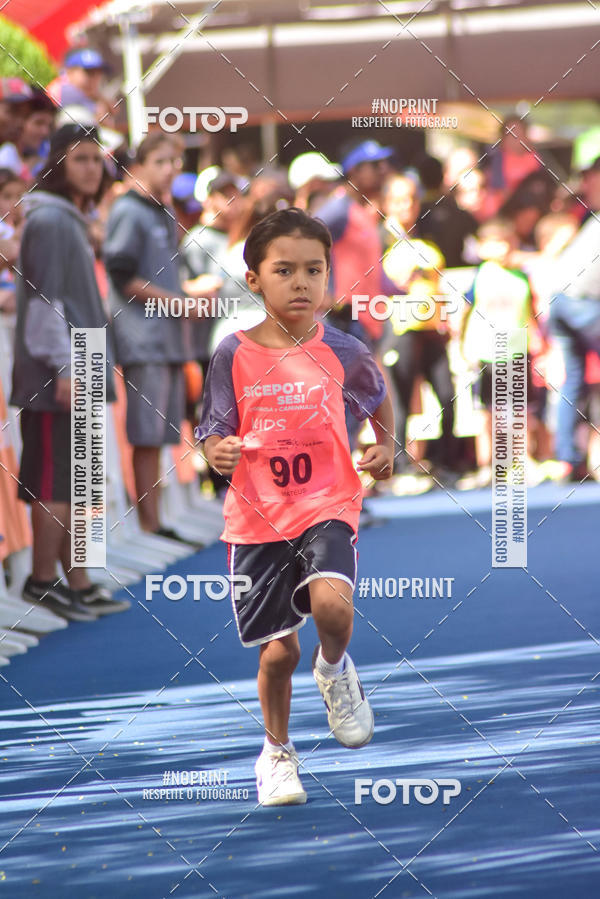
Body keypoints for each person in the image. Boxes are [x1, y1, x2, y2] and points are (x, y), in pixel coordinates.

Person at [196, 207, 394, 805]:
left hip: (327, 501)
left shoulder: (344, 349)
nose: (302, 283)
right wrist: (216, 451)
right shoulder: (232, 354)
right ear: (253, 278)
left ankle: (335, 669)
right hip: (257, 516)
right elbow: (211, 428)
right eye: (284, 270)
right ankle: (277, 754)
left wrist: (384, 445)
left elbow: (379, 396)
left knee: (333, 608)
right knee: (278, 652)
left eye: (314, 270)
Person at [10, 123, 128, 619]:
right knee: (60, 481)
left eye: (95, 159)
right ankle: (41, 582)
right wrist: (64, 368)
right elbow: (44, 305)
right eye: (78, 158)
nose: (91, 168)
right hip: (66, 368)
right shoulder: (53, 221)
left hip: (84, 358)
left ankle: (76, 580)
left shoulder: (67, 218)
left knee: (81, 482)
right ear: (57, 164)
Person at [103, 133, 208, 537]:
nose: (170, 169)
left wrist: (186, 296)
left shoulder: (163, 210)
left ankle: (158, 520)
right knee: (146, 434)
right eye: (161, 161)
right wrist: (178, 303)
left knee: (163, 433)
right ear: (141, 164)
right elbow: (122, 275)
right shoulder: (128, 211)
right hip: (142, 335)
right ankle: (148, 524)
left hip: (168, 336)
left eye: (175, 162)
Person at [381, 172, 458, 486]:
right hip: (400, 330)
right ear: (387, 204)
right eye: (398, 200)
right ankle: (400, 462)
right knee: (400, 400)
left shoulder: (426, 242)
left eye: (411, 199)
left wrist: (445, 318)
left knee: (447, 395)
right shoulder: (380, 241)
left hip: (431, 329)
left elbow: (439, 286)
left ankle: (444, 461)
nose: (406, 206)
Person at [461, 218, 545, 485]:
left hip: (518, 350)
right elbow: (464, 311)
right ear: (483, 248)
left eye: (507, 242)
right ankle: (489, 466)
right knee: (489, 412)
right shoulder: (480, 275)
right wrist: (464, 346)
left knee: (520, 411)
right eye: (495, 243)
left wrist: (538, 340)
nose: (503, 249)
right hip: (487, 352)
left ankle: (522, 461)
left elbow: (529, 311)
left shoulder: (522, 275)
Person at [548, 156, 600, 479]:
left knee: (574, 378)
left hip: (561, 299)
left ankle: (567, 457)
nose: (587, 185)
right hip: (579, 301)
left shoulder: (590, 219)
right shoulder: (590, 218)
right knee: (575, 378)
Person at [47, 47, 109, 118]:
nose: (94, 79)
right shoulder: (66, 90)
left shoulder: (72, 89)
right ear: (70, 71)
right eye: (89, 72)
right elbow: (101, 116)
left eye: (99, 73)